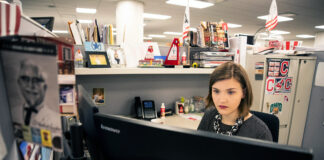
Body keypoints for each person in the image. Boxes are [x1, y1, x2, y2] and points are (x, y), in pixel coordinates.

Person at [197, 62, 272, 141]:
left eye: (230, 92)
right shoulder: (209, 115)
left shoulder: (260, 133)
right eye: (216, 91)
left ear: (243, 93)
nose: (222, 100)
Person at [16, 60, 60, 130]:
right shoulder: (12, 113)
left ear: (45, 87)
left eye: (36, 80)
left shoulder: (57, 120)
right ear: (19, 83)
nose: (30, 85)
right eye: (25, 79)